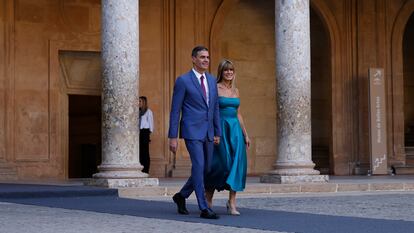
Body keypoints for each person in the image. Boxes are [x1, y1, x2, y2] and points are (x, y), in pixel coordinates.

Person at [168, 46, 221, 219]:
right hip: (191, 130)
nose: (206, 60)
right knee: (198, 166)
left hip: (209, 131)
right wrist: (172, 136)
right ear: (193, 59)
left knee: (206, 168)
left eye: (207, 57)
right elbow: (175, 110)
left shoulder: (212, 80)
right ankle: (203, 207)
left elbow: (215, 108)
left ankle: (181, 196)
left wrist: (217, 132)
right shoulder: (183, 80)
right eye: (202, 57)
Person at [204, 59, 250, 216]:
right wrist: (213, 132)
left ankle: (232, 202)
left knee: (236, 165)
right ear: (221, 72)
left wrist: (245, 134)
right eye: (226, 70)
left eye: (231, 70)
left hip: (235, 131)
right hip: (220, 129)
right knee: (220, 164)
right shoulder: (214, 88)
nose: (229, 72)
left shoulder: (236, 91)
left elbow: (238, 114)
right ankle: (208, 198)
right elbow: (210, 112)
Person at [139, 96, 154, 174]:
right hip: (138, 133)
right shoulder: (138, 112)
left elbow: (151, 124)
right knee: (139, 152)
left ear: (144, 102)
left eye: (140, 101)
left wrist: (148, 134)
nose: (139, 103)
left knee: (145, 152)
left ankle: (146, 170)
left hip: (145, 132)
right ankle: (140, 170)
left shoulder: (148, 112)